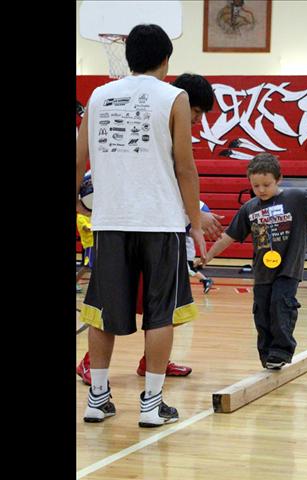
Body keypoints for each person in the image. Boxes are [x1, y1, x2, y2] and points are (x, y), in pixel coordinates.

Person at [76, 24, 208, 427]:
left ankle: (97, 399)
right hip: (161, 222)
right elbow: (185, 167)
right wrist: (196, 222)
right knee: (159, 314)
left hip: (110, 222)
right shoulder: (175, 97)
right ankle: (151, 405)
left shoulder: (98, 95)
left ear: (127, 56)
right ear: (167, 60)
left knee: (101, 312)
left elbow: (78, 157)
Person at [196, 153, 307, 369]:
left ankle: (281, 350)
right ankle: (267, 354)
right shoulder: (249, 208)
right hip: (262, 272)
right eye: (256, 185)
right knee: (262, 313)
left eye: (266, 184)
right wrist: (208, 255)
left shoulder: (296, 198)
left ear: (278, 179)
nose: (261, 190)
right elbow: (228, 236)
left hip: (288, 269)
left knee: (281, 305)